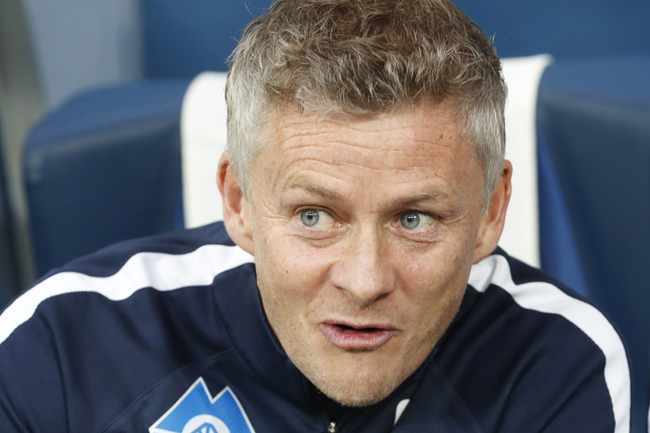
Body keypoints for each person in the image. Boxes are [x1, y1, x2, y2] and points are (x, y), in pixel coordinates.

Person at [0, 0, 630, 432]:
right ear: (240, 203)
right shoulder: (61, 342)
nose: (364, 280)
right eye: (313, 216)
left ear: (492, 210)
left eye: (414, 219)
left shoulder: (555, 358)